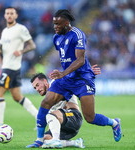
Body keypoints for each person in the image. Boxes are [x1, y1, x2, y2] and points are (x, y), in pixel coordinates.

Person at [27, 9, 122, 148]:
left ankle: (114, 123)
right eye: (54, 24)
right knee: (45, 103)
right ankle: (39, 140)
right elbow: (67, 58)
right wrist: (64, 75)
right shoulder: (56, 38)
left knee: (90, 117)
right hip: (66, 78)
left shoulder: (77, 34)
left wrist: (64, 73)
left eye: (58, 24)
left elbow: (81, 60)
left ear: (67, 23)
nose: (55, 27)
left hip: (82, 79)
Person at [0, 6, 38, 130]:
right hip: (9, 67)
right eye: (7, 13)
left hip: (10, 67)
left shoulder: (21, 29)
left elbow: (32, 45)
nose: (9, 15)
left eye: (12, 13)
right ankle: (39, 118)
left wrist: (21, 51)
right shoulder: (5, 31)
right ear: (5, 15)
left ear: (16, 16)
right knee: (18, 97)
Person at [28, 73, 85, 148]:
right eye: (35, 88)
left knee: (50, 115)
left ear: (45, 81)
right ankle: (75, 143)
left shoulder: (56, 83)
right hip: (65, 127)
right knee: (45, 140)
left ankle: (55, 140)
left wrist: (86, 73)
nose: (37, 89)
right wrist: (48, 134)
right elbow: (52, 123)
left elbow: (70, 77)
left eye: (38, 85)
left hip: (74, 117)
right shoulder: (48, 102)